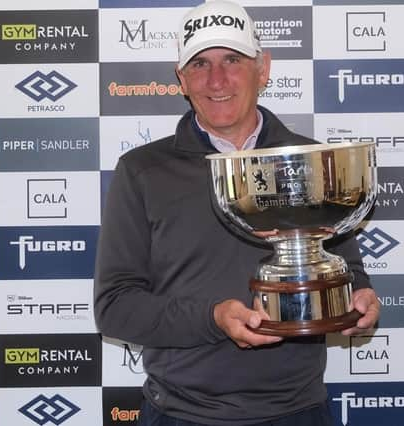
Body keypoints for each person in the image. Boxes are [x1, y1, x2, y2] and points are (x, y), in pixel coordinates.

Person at [94, 1, 380, 425]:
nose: (217, 79)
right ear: (181, 80)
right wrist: (212, 318)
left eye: (232, 59)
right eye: (199, 64)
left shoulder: (311, 162)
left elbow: (347, 271)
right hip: (180, 414)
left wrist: (362, 299)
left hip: (297, 412)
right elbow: (115, 307)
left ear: (263, 68)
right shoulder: (142, 172)